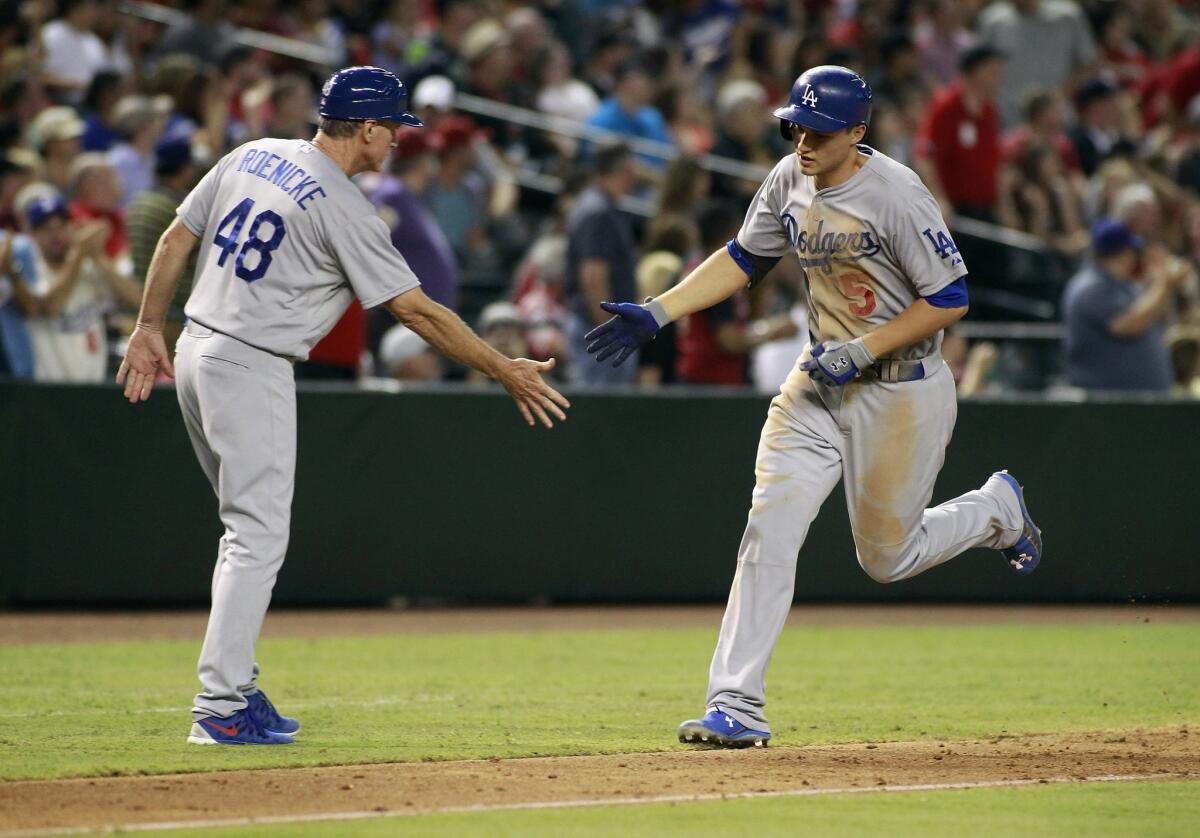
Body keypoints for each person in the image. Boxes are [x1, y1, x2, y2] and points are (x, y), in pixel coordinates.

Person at [583, 66, 1043, 748]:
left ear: (857, 131)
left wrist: (863, 351)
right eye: (795, 125)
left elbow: (950, 300)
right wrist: (661, 310)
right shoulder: (787, 179)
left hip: (900, 386)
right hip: (816, 385)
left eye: (819, 130)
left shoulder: (896, 193)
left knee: (886, 559)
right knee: (769, 525)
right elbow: (744, 257)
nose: (803, 139)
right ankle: (735, 704)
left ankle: (996, 510)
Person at [116, 66, 569, 746]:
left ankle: (235, 685)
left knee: (245, 532)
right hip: (249, 363)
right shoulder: (345, 207)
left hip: (195, 353)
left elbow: (177, 238)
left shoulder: (253, 152)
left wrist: (151, 326)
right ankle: (219, 706)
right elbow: (416, 312)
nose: (397, 144)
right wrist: (501, 367)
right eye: (392, 129)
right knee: (256, 536)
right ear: (366, 129)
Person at [1061, 218, 1177, 392]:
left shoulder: (1122, 284)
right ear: (1124, 252)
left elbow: (1154, 316)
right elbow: (1128, 325)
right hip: (1110, 406)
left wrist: (1161, 286)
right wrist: (1165, 284)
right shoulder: (1091, 286)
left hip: (1136, 403)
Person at [564, 140, 639, 386]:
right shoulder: (597, 211)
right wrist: (611, 331)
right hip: (598, 330)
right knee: (601, 414)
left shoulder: (603, 206)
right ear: (622, 171)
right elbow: (593, 276)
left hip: (602, 329)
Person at [913, 45, 1005, 224]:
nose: (1000, 78)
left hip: (986, 208)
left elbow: (995, 160)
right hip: (956, 212)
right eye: (993, 72)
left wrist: (1003, 206)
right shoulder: (945, 106)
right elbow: (923, 156)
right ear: (976, 72)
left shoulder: (989, 110)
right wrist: (940, 200)